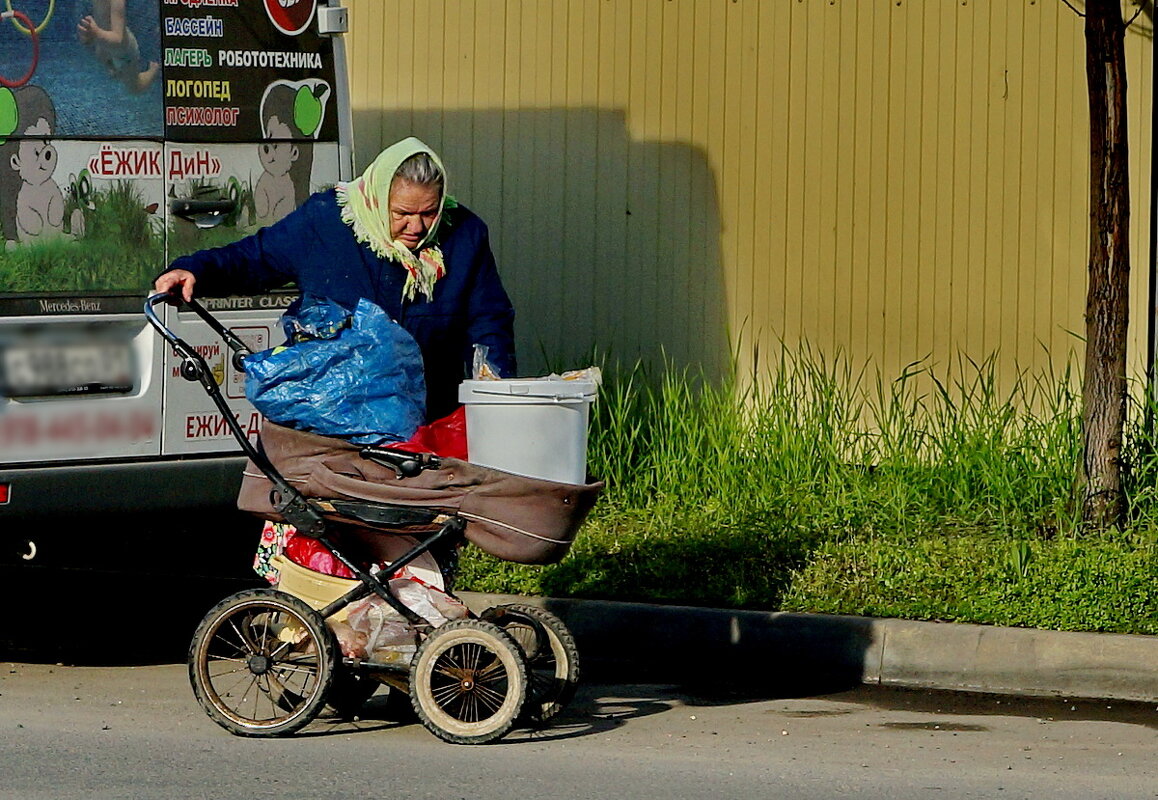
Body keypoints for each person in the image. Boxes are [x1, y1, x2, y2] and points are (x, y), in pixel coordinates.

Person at [154, 136, 517, 423]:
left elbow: (489, 321)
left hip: (430, 411)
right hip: (335, 413)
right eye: (402, 213)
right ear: (376, 198)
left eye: (429, 212)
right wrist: (195, 269)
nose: (417, 226)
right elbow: (255, 257)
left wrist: (495, 396)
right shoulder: (327, 220)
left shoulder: (464, 234)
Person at [77, 0, 161, 95]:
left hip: (123, 52)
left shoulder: (117, 1)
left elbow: (118, 39)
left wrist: (96, 33)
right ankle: (116, 69)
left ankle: (154, 69)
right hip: (104, 43)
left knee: (135, 88)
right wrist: (88, 35)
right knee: (104, 60)